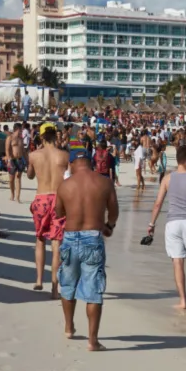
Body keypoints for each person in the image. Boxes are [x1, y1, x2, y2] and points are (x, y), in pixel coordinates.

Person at [55, 148, 119, 351]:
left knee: (68, 285)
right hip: (93, 237)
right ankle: (93, 340)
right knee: (93, 291)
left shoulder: (65, 185)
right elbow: (114, 210)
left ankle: (68, 327)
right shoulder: (104, 182)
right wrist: (109, 226)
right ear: (90, 162)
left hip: (70, 236)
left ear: (73, 163)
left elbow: (59, 212)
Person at [147, 145, 186, 310]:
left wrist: (152, 224)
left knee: (177, 262)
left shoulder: (167, 179)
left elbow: (158, 203)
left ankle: (182, 301)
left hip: (172, 224)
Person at [27, 123, 70, 296]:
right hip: (59, 199)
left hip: (41, 198)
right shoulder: (64, 156)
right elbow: (69, 179)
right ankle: (54, 288)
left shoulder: (34, 155)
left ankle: (38, 280)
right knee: (56, 243)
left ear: (42, 137)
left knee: (39, 239)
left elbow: (30, 175)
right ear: (56, 136)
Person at [6, 123, 27, 202]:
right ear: (17, 129)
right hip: (12, 159)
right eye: (21, 129)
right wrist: (8, 160)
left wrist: (27, 160)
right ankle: (12, 194)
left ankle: (18, 197)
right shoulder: (10, 138)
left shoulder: (20, 139)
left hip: (20, 159)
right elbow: (7, 150)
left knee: (18, 178)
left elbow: (23, 151)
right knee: (11, 179)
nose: (22, 131)